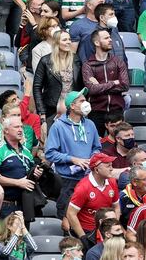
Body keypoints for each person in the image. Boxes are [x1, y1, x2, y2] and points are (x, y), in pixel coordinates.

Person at [45, 88, 101, 220]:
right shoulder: (58, 126)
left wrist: (92, 158)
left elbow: (97, 147)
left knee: (88, 217)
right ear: (72, 106)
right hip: (67, 181)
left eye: (85, 100)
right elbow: (50, 153)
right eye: (82, 101)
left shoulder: (90, 124)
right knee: (66, 218)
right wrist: (73, 159)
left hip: (88, 179)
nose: (86, 103)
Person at [67, 153, 121, 249]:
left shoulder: (112, 182)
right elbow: (71, 213)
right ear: (96, 169)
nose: (112, 169)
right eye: (108, 166)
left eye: (111, 165)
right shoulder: (83, 187)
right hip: (88, 231)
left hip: (107, 229)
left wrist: (114, 225)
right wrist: (83, 237)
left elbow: (116, 207)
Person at [82, 29, 129, 134]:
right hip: (96, 111)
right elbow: (92, 90)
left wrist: (100, 86)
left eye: (110, 37)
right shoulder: (88, 65)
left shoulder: (118, 62)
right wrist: (113, 83)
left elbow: (125, 85)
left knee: (119, 142)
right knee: (96, 144)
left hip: (116, 110)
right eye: (106, 38)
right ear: (97, 43)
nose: (110, 40)